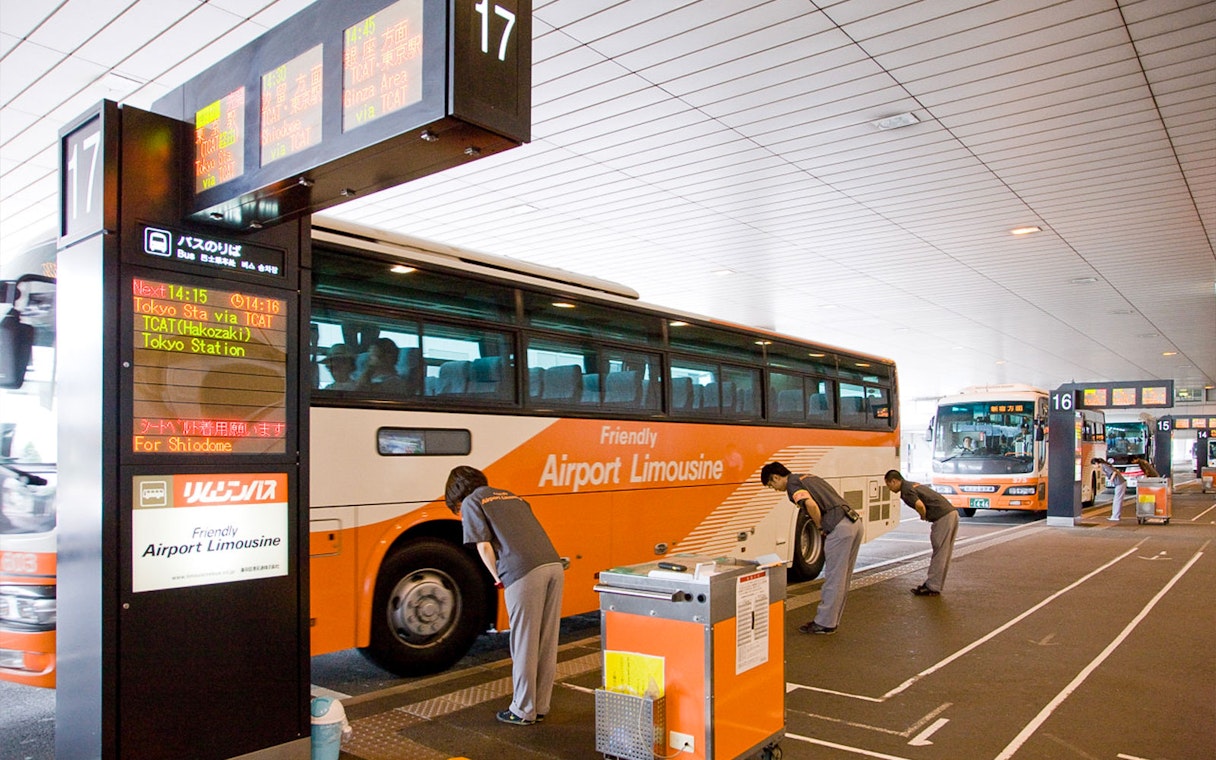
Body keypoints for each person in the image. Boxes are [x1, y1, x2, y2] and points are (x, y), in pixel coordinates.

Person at [444, 466, 564, 726]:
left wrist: (497, 578)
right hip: (553, 566)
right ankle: (540, 706)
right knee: (546, 642)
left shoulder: (472, 501)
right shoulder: (511, 496)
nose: (460, 514)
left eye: (456, 510)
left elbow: (484, 545)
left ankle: (522, 710)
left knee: (523, 644)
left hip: (522, 572)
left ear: (456, 496)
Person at [761, 461, 862, 635]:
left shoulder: (792, 485)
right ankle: (832, 619)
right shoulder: (807, 477)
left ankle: (825, 623)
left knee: (834, 577)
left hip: (839, 527)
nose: (774, 489)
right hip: (854, 522)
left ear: (776, 477)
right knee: (843, 577)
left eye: (772, 484)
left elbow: (811, 505)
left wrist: (820, 527)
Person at [884, 470, 958, 596]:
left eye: (889, 485)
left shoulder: (906, 490)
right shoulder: (912, 484)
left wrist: (922, 515)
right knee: (944, 553)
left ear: (894, 481)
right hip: (951, 513)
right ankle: (935, 585)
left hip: (943, 517)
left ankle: (932, 587)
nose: (889, 489)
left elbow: (919, 505)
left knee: (939, 552)